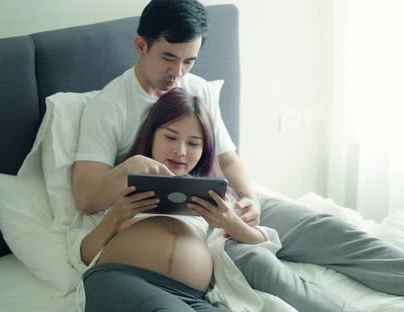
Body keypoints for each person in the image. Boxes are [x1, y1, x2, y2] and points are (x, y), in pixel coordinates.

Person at [72, 0, 404, 311]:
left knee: (327, 229)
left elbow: (227, 159)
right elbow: (85, 196)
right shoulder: (109, 106)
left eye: (189, 61)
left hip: (218, 204)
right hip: (181, 225)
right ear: (141, 46)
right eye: (170, 58)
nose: (179, 73)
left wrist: (248, 200)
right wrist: (131, 170)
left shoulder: (197, 90)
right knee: (261, 263)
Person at [80, 88, 267, 312]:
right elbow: (86, 254)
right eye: (170, 137)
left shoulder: (212, 194)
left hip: (191, 296)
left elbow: (259, 241)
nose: (180, 151)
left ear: (204, 150)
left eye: (194, 144)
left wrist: (230, 222)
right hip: (125, 279)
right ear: (152, 136)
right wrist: (116, 215)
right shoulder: (127, 185)